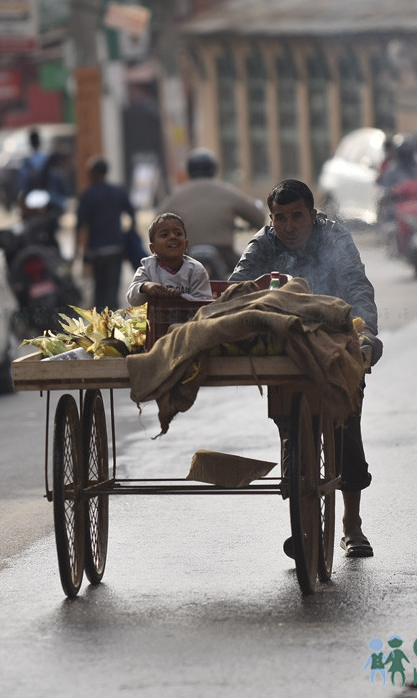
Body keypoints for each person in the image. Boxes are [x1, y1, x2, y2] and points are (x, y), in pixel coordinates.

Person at [229, 178, 383, 558]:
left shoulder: (335, 237)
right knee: (292, 431)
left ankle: (351, 524)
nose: (289, 226)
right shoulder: (263, 242)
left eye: (298, 217)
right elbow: (236, 285)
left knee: (346, 423)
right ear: (271, 219)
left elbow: (357, 286)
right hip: (286, 348)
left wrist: (367, 337)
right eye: (280, 218)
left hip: (336, 341)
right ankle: (302, 518)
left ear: (313, 215)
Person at [156, 148, 265, 274]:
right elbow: (258, 216)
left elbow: (157, 223)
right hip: (223, 253)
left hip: (185, 254)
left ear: (189, 170)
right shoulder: (227, 191)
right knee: (252, 277)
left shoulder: (176, 195)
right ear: (214, 169)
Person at [75, 158, 138, 309]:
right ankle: (112, 323)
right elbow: (132, 213)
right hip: (116, 248)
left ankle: (100, 325)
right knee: (113, 289)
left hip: (96, 251)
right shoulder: (118, 191)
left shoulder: (87, 195)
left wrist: (77, 252)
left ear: (94, 173)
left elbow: (80, 226)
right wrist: (130, 234)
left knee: (99, 289)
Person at [125, 212, 213, 306]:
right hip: (155, 320)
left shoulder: (196, 270)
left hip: (191, 320)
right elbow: (132, 299)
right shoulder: (148, 268)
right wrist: (144, 287)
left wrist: (181, 298)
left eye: (178, 233)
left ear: (186, 244)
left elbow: (205, 302)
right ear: (153, 248)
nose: (172, 237)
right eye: (164, 235)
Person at [16, 128, 69, 212]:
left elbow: (23, 183)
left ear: (30, 143)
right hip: (51, 197)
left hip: (33, 196)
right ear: (39, 141)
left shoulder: (27, 161)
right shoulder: (46, 158)